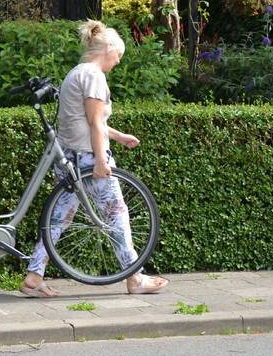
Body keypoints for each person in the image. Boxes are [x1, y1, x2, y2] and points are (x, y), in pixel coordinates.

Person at [20, 20, 169, 298]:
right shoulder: (94, 75)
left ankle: (34, 275)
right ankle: (135, 277)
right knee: (117, 214)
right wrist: (102, 160)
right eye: (119, 56)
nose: (118, 62)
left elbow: (88, 120)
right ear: (108, 49)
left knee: (59, 217)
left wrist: (120, 136)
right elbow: (95, 124)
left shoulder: (76, 73)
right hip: (88, 160)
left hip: (69, 158)